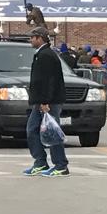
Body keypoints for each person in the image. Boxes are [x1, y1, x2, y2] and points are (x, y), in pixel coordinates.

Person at [23, 26, 69, 177]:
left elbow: (48, 80)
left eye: (32, 37)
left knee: (51, 131)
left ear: (40, 38)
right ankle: (41, 162)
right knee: (32, 129)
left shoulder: (46, 55)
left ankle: (61, 165)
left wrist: (44, 101)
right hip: (42, 101)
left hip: (48, 102)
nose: (30, 40)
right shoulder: (42, 54)